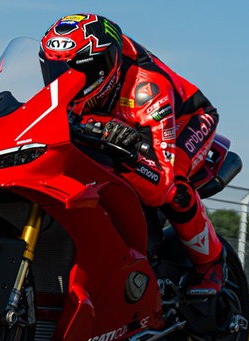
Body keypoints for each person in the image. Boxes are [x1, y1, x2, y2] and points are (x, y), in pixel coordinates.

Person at [40, 13, 226, 296]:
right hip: (113, 119)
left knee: (174, 189)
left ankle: (211, 263)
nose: (64, 80)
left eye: (77, 72)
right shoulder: (80, 86)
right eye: (56, 71)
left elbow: (158, 186)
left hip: (186, 121)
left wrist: (109, 138)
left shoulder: (146, 89)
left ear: (105, 64)